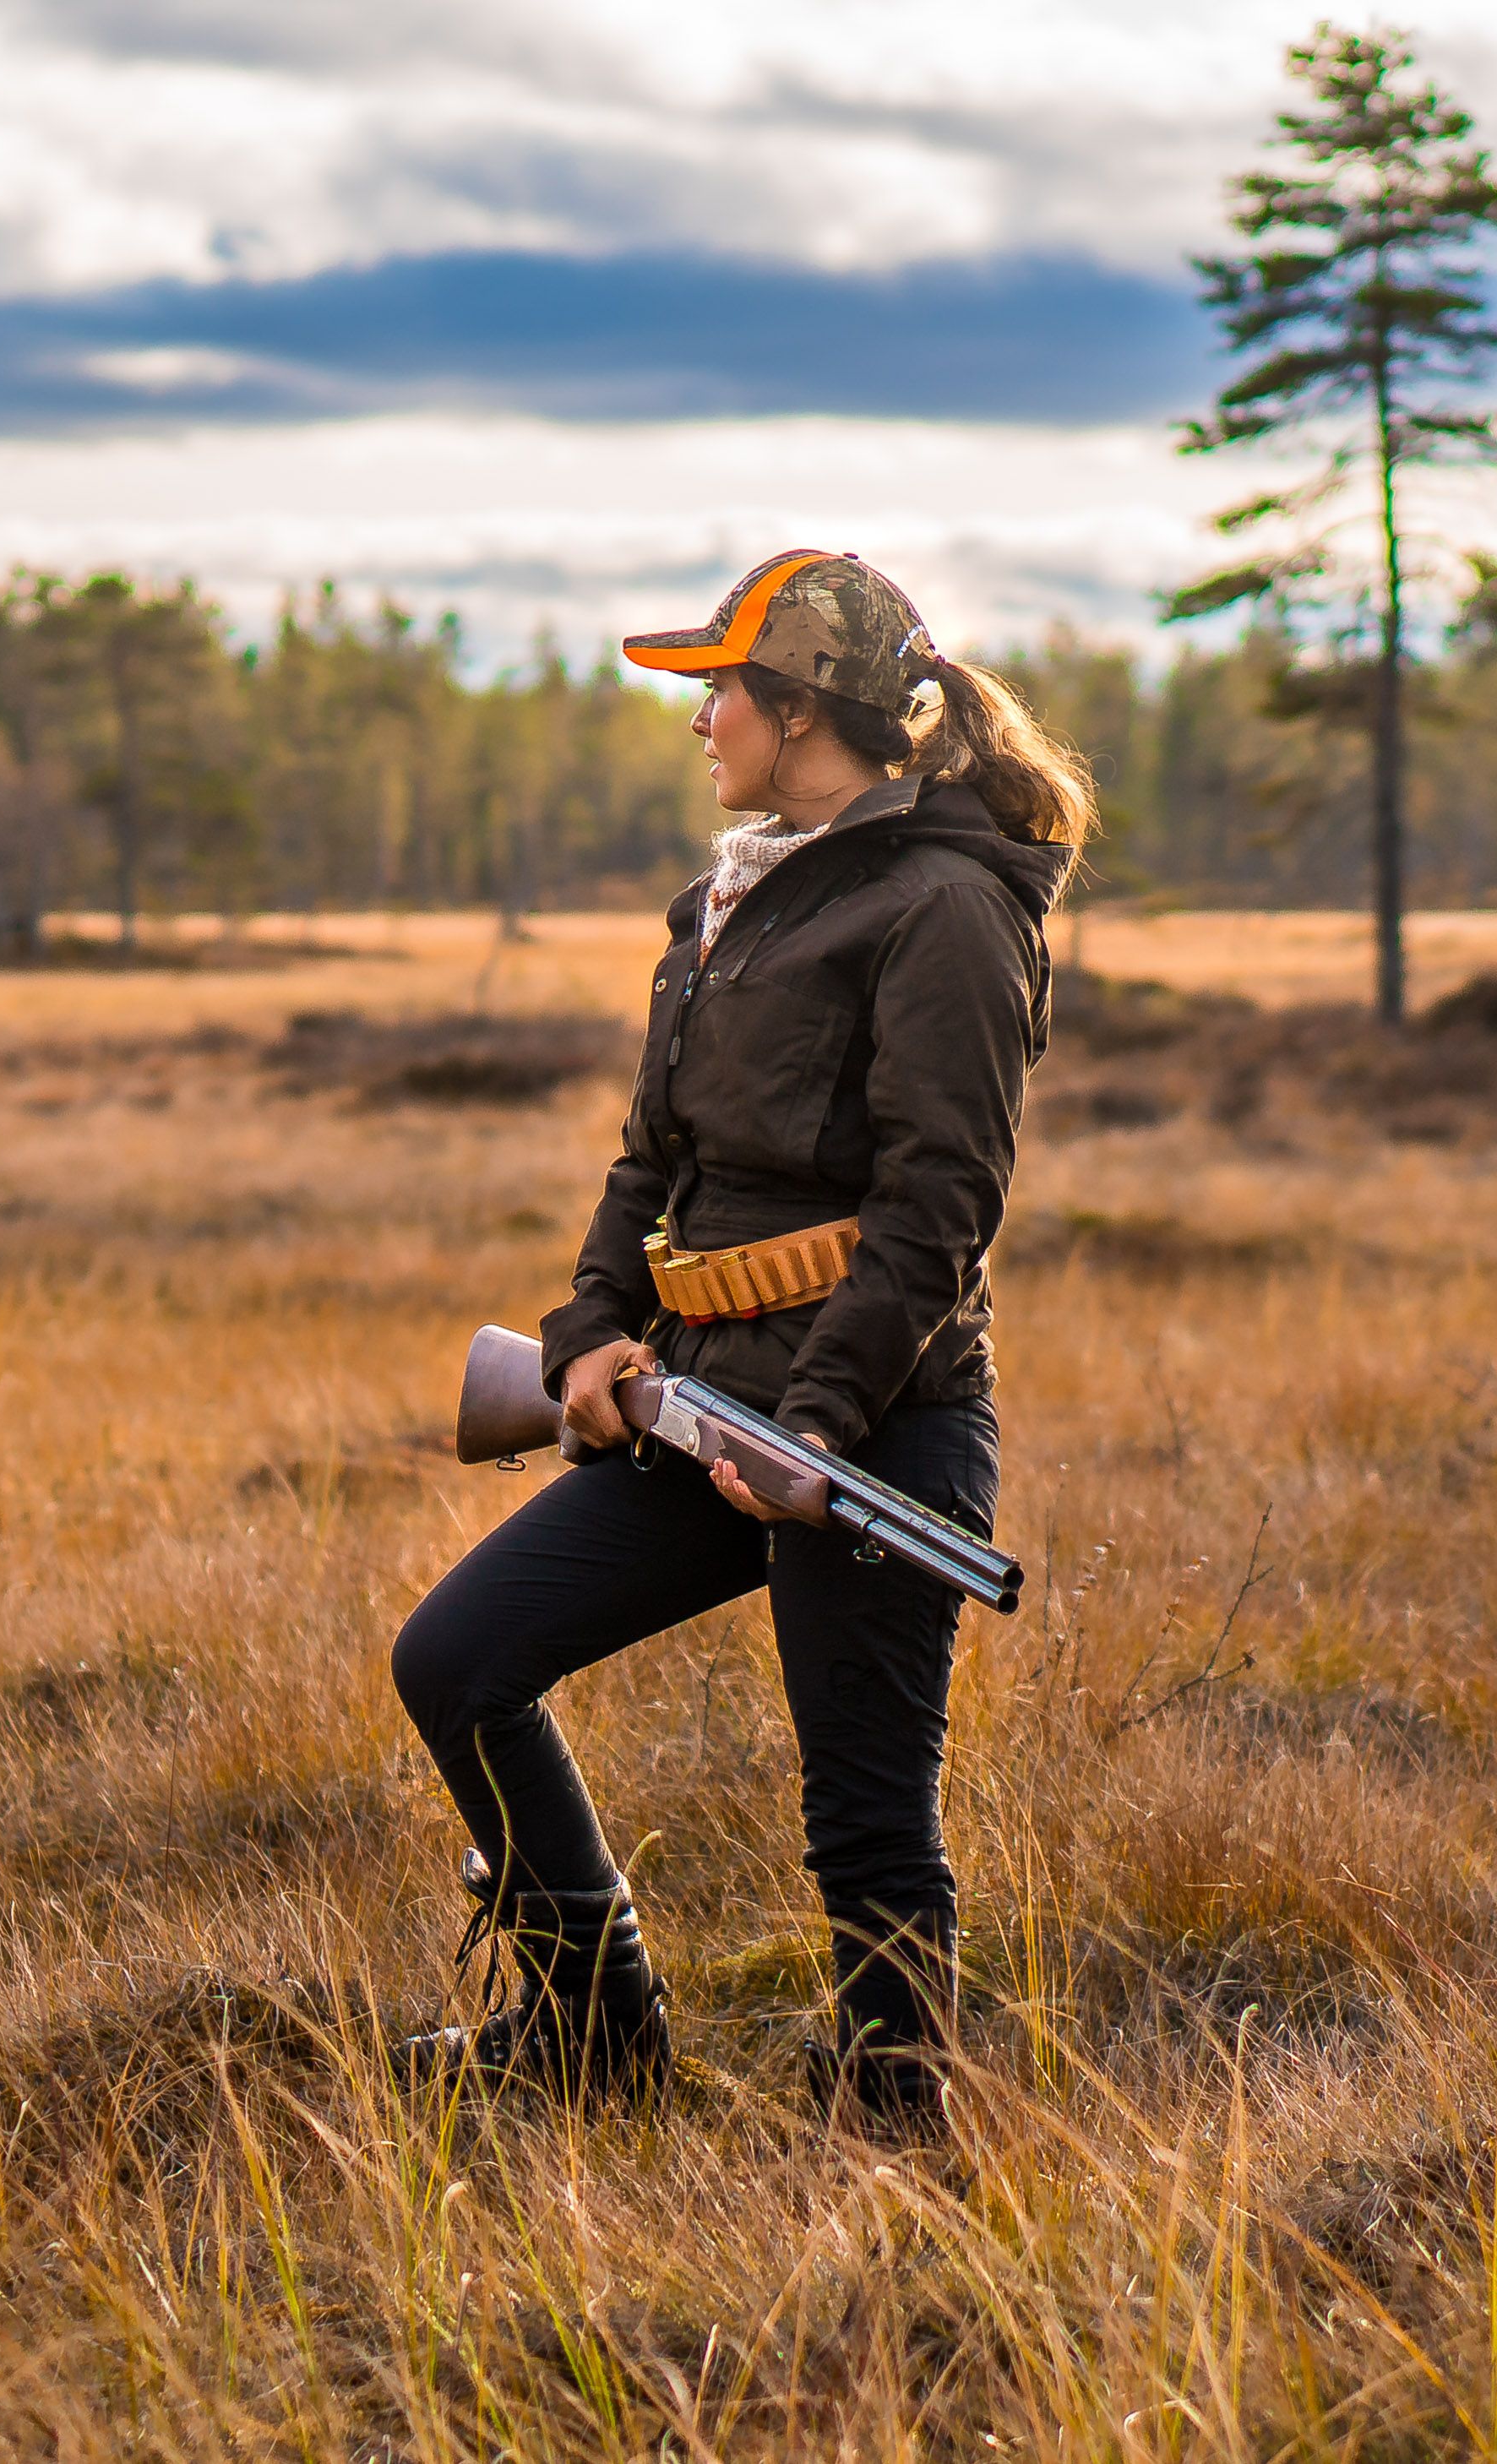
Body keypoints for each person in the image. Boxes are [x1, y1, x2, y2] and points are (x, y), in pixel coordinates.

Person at [385, 550, 1092, 2129]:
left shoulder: (950, 909)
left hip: (870, 1423)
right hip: (700, 1399)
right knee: (456, 1661)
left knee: (862, 1814)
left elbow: (938, 1207)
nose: (700, 718)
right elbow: (652, 1157)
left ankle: (900, 2123)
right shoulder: (729, 901)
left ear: (799, 711)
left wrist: (828, 1424)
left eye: (722, 689)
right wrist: (587, 1331)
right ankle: (591, 2025)